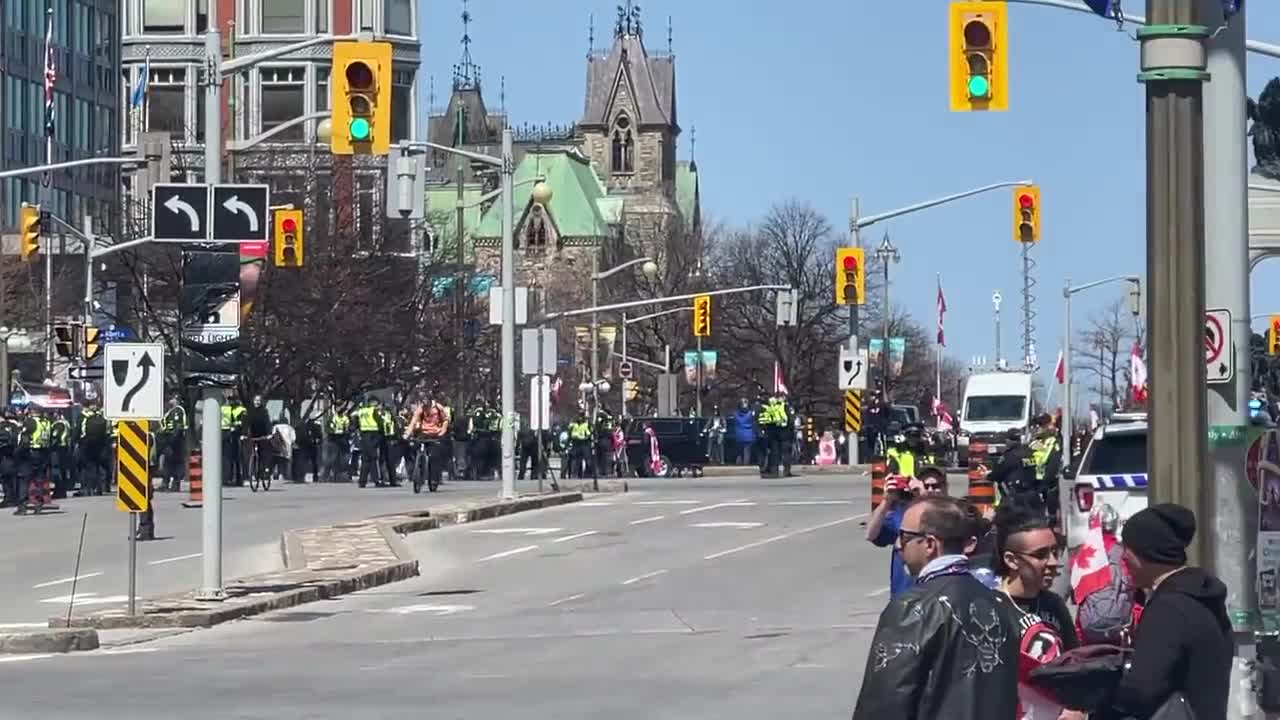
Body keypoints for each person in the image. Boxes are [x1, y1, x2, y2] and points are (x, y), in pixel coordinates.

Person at [852, 496, 1020, 720]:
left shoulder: (913, 607)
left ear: (930, 544)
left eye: (905, 537)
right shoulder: (1000, 605)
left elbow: (884, 703)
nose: (899, 545)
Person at [1099, 503, 1233, 720]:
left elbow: (1141, 689)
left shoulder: (1169, 609)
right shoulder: (1202, 597)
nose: (1123, 557)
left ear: (1148, 552)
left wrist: (1102, 698)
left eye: (1128, 548)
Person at [992, 501, 1081, 720]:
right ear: (1012, 560)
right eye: (1041, 555)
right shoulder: (988, 609)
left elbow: (1075, 666)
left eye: (1054, 551)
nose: (1054, 562)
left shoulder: (1054, 605)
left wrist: (1074, 708)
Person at [866, 471, 946, 598]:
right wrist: (886, 501)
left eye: (936, 486)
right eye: (926, 486)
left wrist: (924, 498)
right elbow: (871, 534)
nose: (930, 490)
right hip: (903, 595)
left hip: (936, 596)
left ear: (945, 487)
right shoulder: (905, 514)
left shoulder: (952, 513)